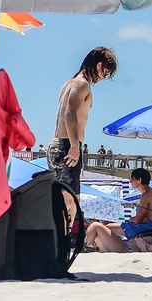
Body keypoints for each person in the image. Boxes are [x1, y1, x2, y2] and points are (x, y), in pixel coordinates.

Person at [48, 46, 117, 195]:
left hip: (58, 144)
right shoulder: (82, 84)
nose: (104, 77)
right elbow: (69, 113)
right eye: (105, 72)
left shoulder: (69, 83)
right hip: (67, 144)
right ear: (99, 65)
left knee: (64, 200)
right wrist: (74, 146)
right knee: (69, 201)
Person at [86, 168, 152, 253]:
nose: (131, 182)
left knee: (107, 228)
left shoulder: (146, 195)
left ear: (139, 180)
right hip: (149, 227)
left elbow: (137, 220)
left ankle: (91, 247)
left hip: (145, 227)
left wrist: (131, 219)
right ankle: (97, 247)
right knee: (108, 228)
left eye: (132, 179)